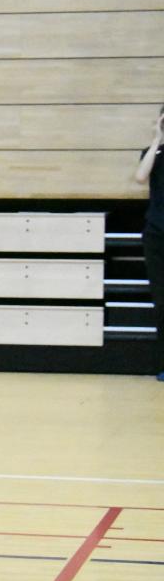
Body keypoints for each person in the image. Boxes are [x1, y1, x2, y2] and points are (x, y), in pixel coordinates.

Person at [134, 105, 164, 382]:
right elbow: (141, 177)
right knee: (162, 302)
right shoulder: (153, 153)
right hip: (157, 234)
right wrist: (157, 139)